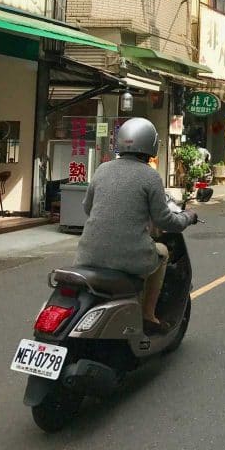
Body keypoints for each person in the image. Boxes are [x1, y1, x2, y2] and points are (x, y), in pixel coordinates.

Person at [74, 117, 197, 334]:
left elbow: (88, 208)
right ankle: (148, 315)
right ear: (151, 145)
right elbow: (165, 220)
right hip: (128, 258)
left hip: (87, 255)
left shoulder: (102, 169)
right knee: (163, 252)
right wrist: (188, 217)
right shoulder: (150, 176)